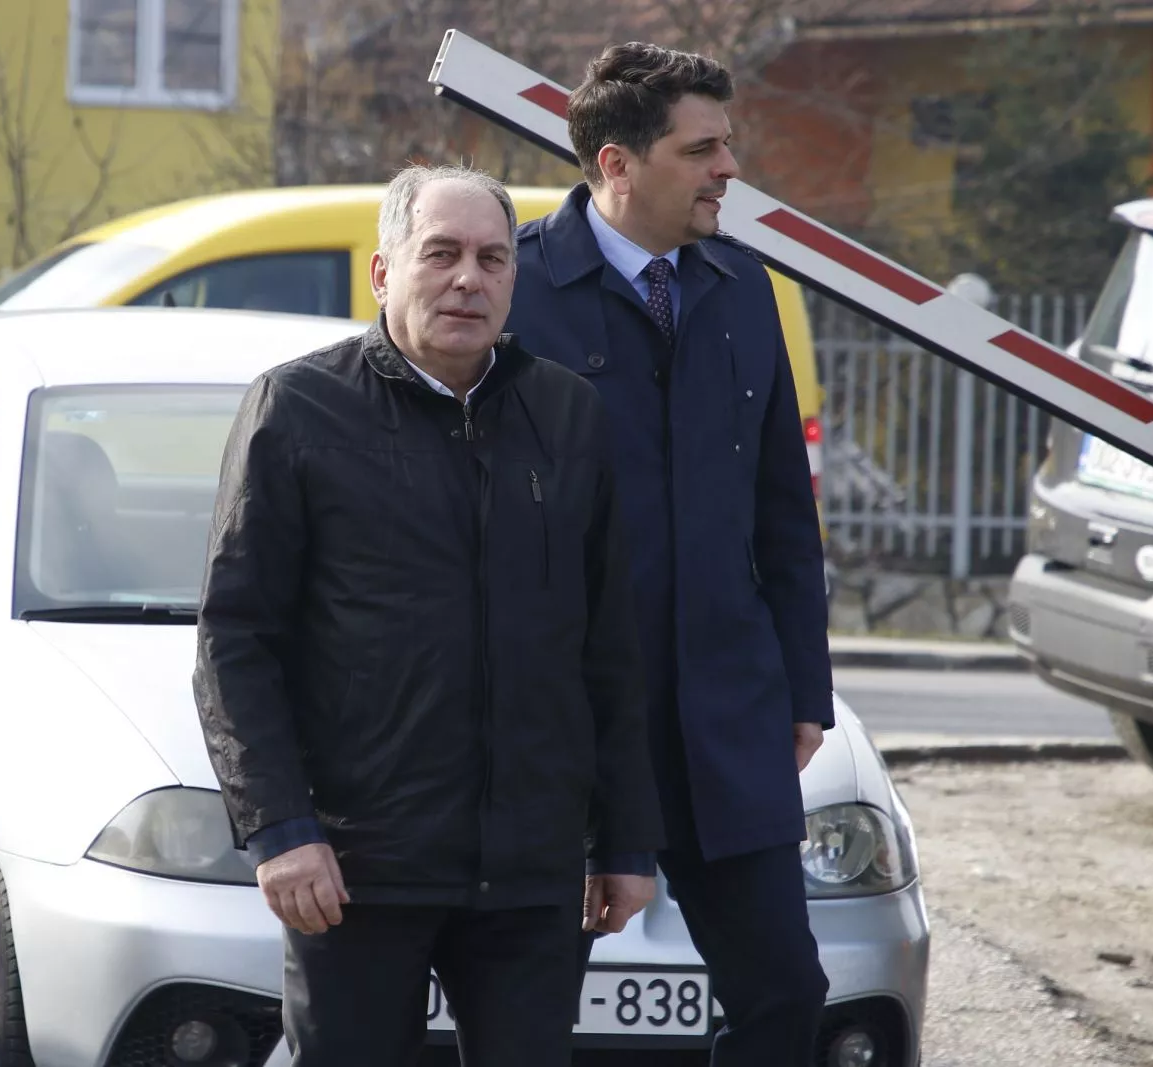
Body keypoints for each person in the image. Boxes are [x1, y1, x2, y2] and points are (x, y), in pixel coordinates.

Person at [192, 162, 665, 1067]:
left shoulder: (567, 415)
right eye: (441, 254)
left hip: (531, 873)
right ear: (384, 272)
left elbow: (609, 645)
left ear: (514, 279)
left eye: (492, 259)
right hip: (357, 867)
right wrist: (280, 830)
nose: (467, 280)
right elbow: (236, 639)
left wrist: (625, 839)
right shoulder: (298, 409)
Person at [504, 42, 836, 1066]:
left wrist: (804, 690)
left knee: (787, 996)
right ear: (617, 163)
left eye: (726, 145)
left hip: (724, 720)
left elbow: (783, 511)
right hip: (565, 725)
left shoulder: (742, 288)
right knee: (521, 1016)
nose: (728, 169)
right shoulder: (517, 288)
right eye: (701, 151)